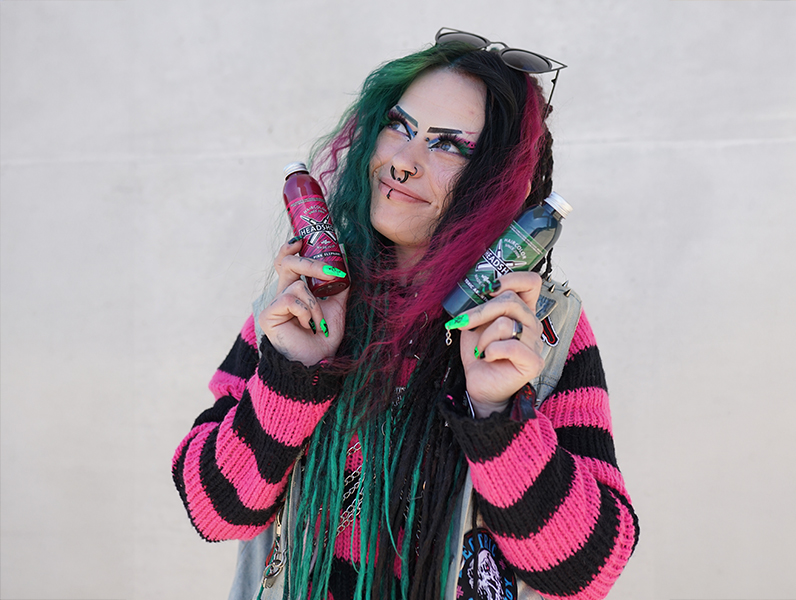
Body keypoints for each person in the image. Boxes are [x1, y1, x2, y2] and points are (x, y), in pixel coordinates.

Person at [172, 28, 639, 600]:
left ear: (496, 181)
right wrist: (293, 376)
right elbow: (213, 512)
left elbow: (586, 572)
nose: (402, 162)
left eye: (449, 146)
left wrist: (499, 415)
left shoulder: (536, 329)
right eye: (399, 126)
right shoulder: (306, 296)